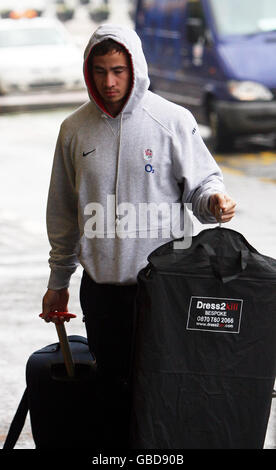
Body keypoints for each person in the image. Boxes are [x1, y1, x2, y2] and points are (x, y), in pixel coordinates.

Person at [41, 24, 236, 447]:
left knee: (162, 393)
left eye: (117, 71)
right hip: (103, 291)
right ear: (88, 71)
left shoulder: (170, 121)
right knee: (112, 390)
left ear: (135, 69)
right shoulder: (74, 130)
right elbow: (63, 214)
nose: (108, 82)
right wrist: (58, 283)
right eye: (99, 71)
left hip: (164, 292)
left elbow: (201, 186)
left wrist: (215, 202)